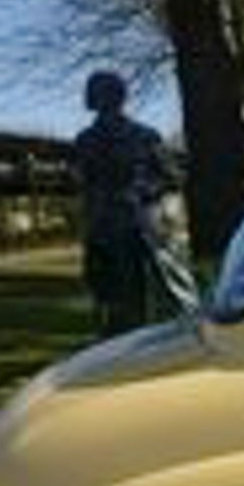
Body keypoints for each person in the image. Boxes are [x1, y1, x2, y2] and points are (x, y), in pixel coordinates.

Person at [72, 71, 174, 337]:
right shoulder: (84, 141)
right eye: (91, 92)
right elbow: (82, 182)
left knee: (139, 309)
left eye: (96, 91)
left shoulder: (145, 136)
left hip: (137, 232)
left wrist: (141, 192)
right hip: (99, 233)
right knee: (105, 305)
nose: (90, 97)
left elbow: (170, 177)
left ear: (115, 96)